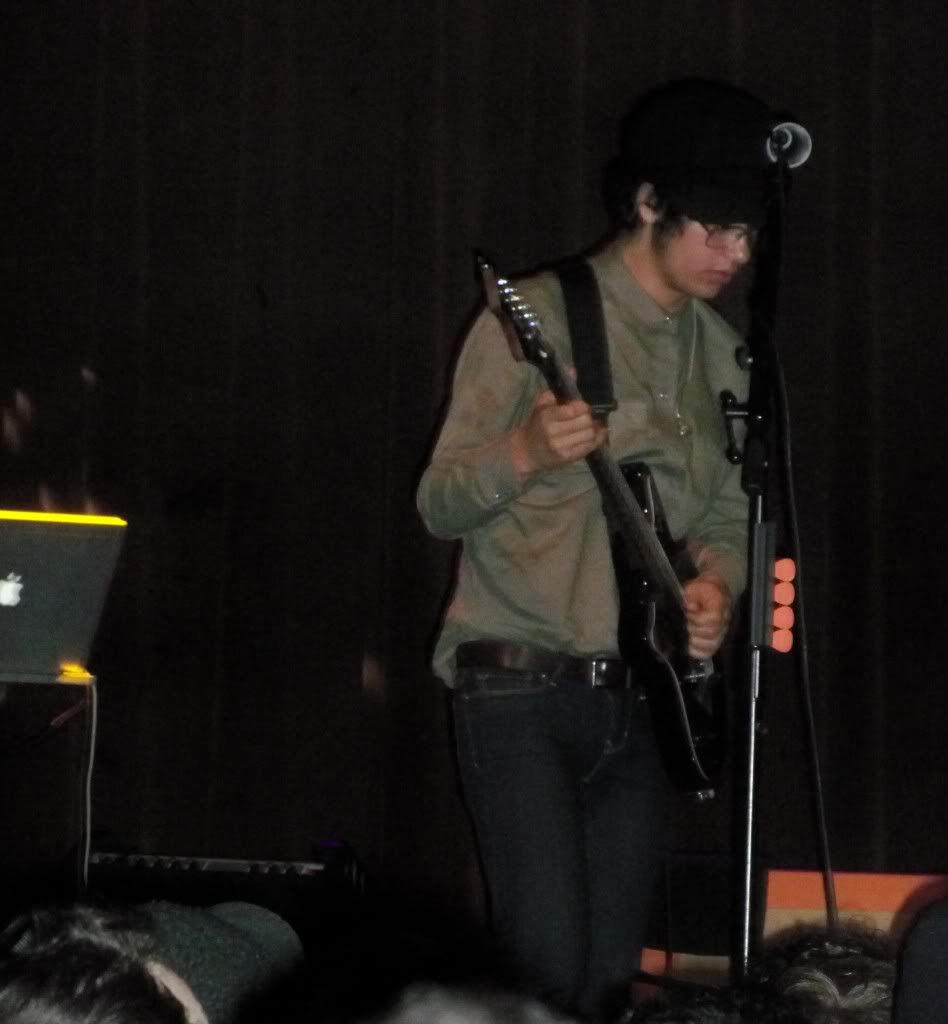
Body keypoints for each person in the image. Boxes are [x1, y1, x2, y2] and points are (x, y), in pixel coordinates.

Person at [417, 78, 801, 1022]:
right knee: (543, 970)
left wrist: (718, 587)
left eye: (749, 234)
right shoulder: (539, 319)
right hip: (520, 688)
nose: (737, 254)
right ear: (648, 203)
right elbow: (438, 502)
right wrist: (523, 450)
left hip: (644, 701)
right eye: (717, 228)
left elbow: (727, 517)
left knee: (606, 984)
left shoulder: (726, 355)